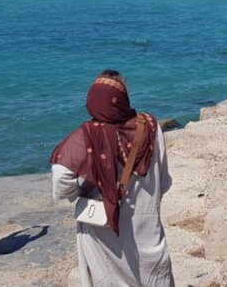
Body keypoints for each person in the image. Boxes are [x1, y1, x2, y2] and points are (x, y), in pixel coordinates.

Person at [51, 70, 174, 287]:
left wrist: (81, 190)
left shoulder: (88, 135)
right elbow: (164, 183)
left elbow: (61, 181)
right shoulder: (150, 126)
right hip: (147, 228)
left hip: (103, 229)